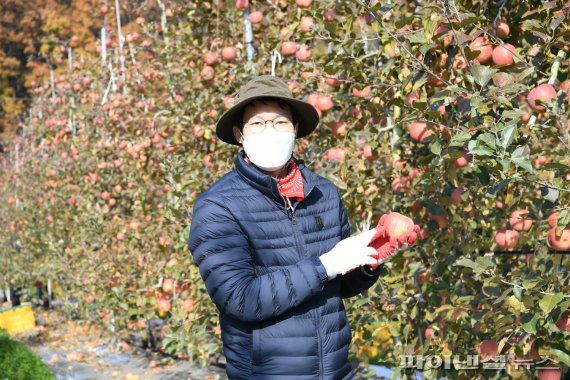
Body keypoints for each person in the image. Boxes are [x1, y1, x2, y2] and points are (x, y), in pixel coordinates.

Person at [187, 75, 386, 379]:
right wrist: (326, 265)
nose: (270, 131)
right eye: (258, 124)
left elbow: (341, 286)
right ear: (240, 134)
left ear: (295, 131)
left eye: (280, 122)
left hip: (335, 370)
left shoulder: (323, 193)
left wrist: (369, 261)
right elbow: (240, 298)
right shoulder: (218, 205)